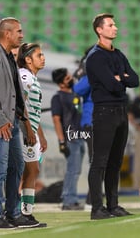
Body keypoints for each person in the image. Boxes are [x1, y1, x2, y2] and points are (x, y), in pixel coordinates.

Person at [0, 17, 38, 229]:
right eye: (19, 32)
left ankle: (13, 213)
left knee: (16, 166)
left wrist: (23, 121)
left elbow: (15, 93)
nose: (22, 35)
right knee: (0, 169)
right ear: (7, 33)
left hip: (11, 121)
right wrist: (2, 121)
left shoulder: (9, 57)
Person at [86, 13, 140, 220]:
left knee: (116, 162)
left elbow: (134, 79)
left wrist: (121, 78)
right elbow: (111, 84)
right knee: (100, 161)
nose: (115, 28)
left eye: (114, 24)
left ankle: (113, 205)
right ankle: (96, 208)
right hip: (105, 112)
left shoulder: (118, 54)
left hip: (120, 111)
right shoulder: (95, 56)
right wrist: (120, 80)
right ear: (100, 30)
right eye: (110, 25)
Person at [16, 42, 48, 227]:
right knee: (27, 172)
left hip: (32, 132)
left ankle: (25, 212)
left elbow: (34, 110)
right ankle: (20, 213)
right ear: (28, 59)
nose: (43, 58)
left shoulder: (33, 78)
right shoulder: (25, 77)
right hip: (24, 132)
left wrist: (40, 134)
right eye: (39, 55)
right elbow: (21, 106)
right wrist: (28, 130)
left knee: (32, 171)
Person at [51, 68, 86, 210]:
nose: (70, 78)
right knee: (72, 169)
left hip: (80, 136)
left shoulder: (76, 95)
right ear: (61, 84)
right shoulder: (58, 98)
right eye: (67, 78)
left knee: (76, 169)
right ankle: (68, 200)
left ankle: (72, 197)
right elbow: (56, 120)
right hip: (70, 137)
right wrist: (61, 141)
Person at [72, 46, 94, 208]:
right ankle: (93, 198)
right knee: (98, 160)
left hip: (91, 120)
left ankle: (93, 198)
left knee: (96, 160)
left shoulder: (89, 75)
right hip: (93, 121)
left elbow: (77, 89)